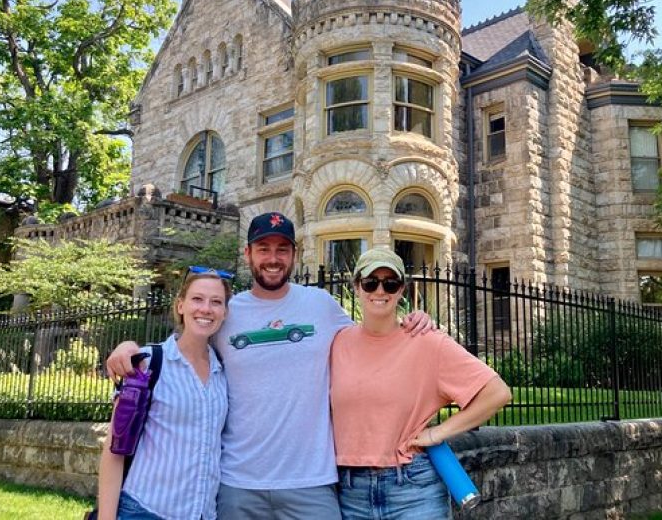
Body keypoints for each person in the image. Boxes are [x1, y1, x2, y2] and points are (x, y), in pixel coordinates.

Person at [106, 212, 433, 520]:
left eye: (282, 249)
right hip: (238, 483)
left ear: (294, 254)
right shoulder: (226, 310)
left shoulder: (320, 305)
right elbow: (186, 344)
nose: (273, 258)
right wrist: (130, 347)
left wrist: (409, 321)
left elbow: (369, 341)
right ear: (248, 253)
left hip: (311, 480)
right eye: (263, 248)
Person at [331, 247, 512, 519]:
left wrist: (436, 434)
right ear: (357, 286)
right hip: (350, 491)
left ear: (401, 289)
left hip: (413, 489)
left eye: (390, 283)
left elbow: (496, 392)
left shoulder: (427, 342)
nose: (380, 291)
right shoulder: (337, 342)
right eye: (370, 282)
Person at [98, 268, 231, 520]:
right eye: (197, 299)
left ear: (224, 312)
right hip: (146, 510)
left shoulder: (223, 371)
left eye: (216, 302)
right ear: (180, 306)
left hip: (202, 514)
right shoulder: (148, 364)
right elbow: (115, 448)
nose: (206, 309)